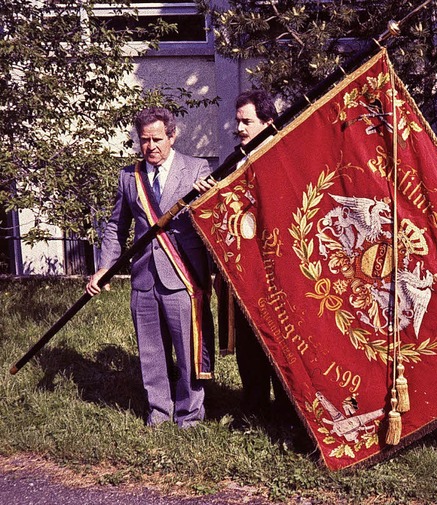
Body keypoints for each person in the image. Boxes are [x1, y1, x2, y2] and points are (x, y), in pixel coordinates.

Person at [86, 107, 215, 429]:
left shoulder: (197, 169)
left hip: (183, 276)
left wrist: (207, 198)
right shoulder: (129, 176)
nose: (151, 147)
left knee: (188, 352)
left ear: (173, 136)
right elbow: (116, 227)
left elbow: (215, 217)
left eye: (157, 139)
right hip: (144, 277)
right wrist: (105, 268)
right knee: (151, 352)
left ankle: (189, 416)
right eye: (144, 141)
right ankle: (158, 412)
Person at [196, 90, 292, 423]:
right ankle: (253, 407)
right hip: (243, 271)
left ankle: (286, 410)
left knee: (279, 340)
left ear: (269, 122)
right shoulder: (236, 160)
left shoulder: (281, 156)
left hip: (277, 270)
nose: (240, 128)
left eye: (247, 121)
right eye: (237, 121)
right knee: (250, 341)